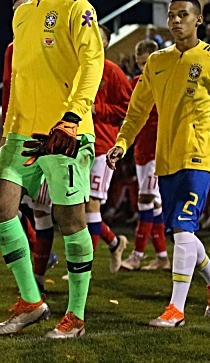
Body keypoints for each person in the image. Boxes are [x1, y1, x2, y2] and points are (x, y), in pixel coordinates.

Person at [108, 0, 210, 328]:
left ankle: (175, 309)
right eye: (172, 16)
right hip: (166, 161)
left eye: (183, 15)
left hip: (198, 158)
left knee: (183, 228)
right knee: (181, 231)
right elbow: (137, 109)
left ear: (199, 20)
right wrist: (122, 142)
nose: (176, 21)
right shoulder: (157, 62)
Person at [0, 0, 103, 339]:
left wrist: (72, 117)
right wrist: (8, 128)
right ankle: (31, 301)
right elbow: (20, 76)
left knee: (69, 219)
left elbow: (93, 64)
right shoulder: (22, 13)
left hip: (65, 134)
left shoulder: (76, 8)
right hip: (23, 134)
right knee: (1, 208)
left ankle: (75, 316)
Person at [3, 0, 59, 294]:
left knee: (48, 210)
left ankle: (38, 275)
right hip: (19, 135)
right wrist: (5, 132)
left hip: (49, 136)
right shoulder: (13, 48)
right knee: (7, 208)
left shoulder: (53, 43)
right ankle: (36, 268)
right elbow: (8, 90)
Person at [119, 40, 170, 271]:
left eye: (146, 62)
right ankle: (162, 256)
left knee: (146, 200)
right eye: (140, 64)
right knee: (155, 204)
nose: (143, 68)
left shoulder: (167, 82)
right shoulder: (137, 82)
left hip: (158, 152)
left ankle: (137, 255)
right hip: (141, 150)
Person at [86, 24, 131, 273]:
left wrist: (98, 110)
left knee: (91, 205)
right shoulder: (78, 69)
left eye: (97, 37)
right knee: (78, 208)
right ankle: (115, 243)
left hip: (102, 147)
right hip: (78, 147)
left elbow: (127, 108)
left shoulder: (112, 72)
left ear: (104, 43)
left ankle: (83, 268)